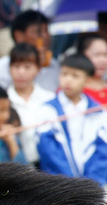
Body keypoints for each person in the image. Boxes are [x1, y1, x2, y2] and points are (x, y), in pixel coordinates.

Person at [37, 54, 107, 186]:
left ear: (87, 81)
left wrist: (91, 183)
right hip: (58, 185)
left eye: (75, 76)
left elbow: (103, 150)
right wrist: (71, 184)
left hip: (93, 185)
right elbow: (48, 150)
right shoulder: (47, 110)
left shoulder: (98, 111)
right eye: (64, 74)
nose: (68, 80)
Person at [0, 10, 59, 93]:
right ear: (19, 36)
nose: (45, 36)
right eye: (38, 32)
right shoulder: (0, 68)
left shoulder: (54, 65)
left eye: (47, 31)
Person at [6, 43, 55, 165]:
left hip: (47, 164)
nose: (21, 72)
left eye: (27, 67)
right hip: (16, 166)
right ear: (9, 68)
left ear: (38, 69)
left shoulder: (50, 99)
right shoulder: (3, 101)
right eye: (16, 66)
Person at [77, 33, 107, 104]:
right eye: (96, 55)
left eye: (105, 55)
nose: (102, 60)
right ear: (82, 56)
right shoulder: (73, 90)